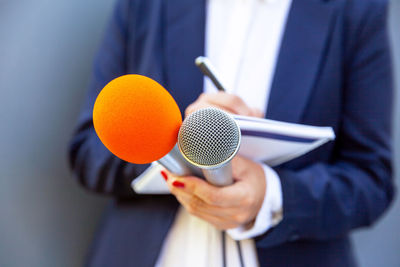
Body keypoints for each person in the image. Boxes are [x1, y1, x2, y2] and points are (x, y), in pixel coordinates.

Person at [68, 0, 395, 266]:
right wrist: (180, 145)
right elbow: (89, 153)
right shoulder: (145, 5)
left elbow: (371, 180)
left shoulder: (356, 10)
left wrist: (271, 197)